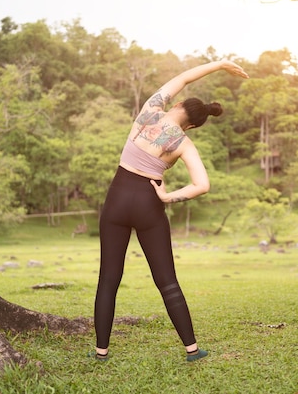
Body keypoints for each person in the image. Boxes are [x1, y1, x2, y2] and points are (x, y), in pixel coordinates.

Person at [92, 60, 249, 362]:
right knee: (167, 281)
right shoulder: (183, 142)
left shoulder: (150, 110)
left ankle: (101, 351)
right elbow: (201, 185)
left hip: (117, 198)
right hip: (150, 202)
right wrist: (167, 198)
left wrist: (219, 65)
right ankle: (192, 350)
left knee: (108, 278)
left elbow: (184, 77)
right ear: (191, 126)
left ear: (177, 103)